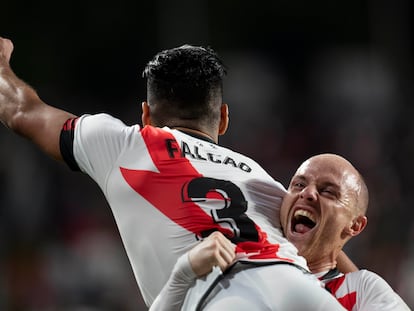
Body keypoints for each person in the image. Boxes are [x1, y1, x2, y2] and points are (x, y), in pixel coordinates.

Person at [0, 36, 346, 310]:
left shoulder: (123, 144)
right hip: (295, 286)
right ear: (224, 118)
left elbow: (21, 111)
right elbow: (332, 257)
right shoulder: (260, 178)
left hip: (218, 298)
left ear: (145, 115)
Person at [151, 154, 410, 310]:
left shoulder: (360, 289)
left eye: (328, 191)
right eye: (298, 184)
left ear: (355, 226)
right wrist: (182, 275)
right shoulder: (225, 266)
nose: (307, 193)